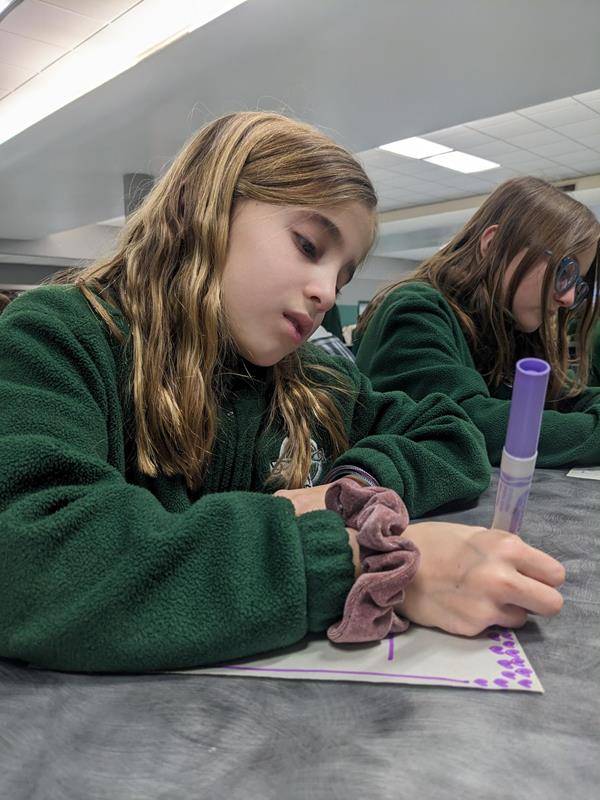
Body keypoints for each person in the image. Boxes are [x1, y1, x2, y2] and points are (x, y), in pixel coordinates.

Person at [0, 115, 563, 674]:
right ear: (210, 208)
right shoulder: (57, 336)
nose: (324, 293)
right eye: (308, 245)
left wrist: (349, 492)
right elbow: (34, 559)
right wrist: (366, 561)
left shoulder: (309, 382)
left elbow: (451, 433)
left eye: (341, 279)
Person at [354, 176, 600, 467]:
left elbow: (560, 397)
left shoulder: (508, 327)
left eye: (578, 283)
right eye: (563, 272)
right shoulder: (415, 310)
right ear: (494, 244)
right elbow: (470, 426)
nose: (569, 299)